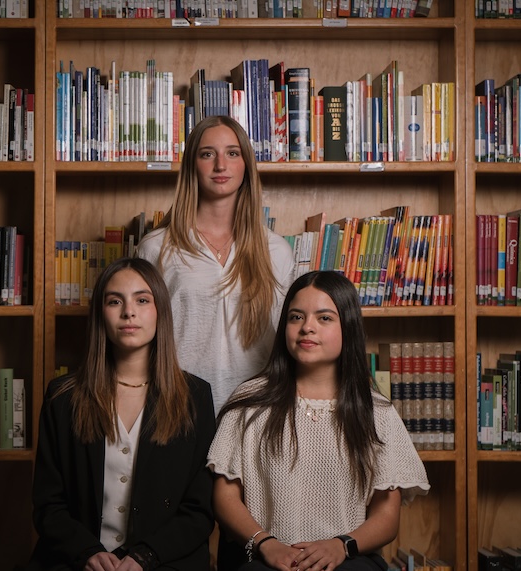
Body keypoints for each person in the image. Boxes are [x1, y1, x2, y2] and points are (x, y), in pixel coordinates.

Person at [208, 271, 430, 571]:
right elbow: (225, 497)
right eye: (296, 317)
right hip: (264, 558)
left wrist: (341, 545)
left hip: (348, 559)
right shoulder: (249, 402)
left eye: (324, 318)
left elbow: (387, 517)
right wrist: (267, 544)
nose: (307, 327)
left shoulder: (376, 411)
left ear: (348, 327)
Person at [29, 257, 216, 571]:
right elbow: (48, 504)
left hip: (164, 561)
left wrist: (145, 556)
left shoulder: (195, 397)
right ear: (100, 314)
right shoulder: (63, 397)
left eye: (142, 300)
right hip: (78, 561)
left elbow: (199, 510)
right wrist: (87, 552)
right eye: (115, 301)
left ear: (160, 311)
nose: (129, 312)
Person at [136, 115, 295, 413]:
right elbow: (140, 340)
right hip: (178, 408)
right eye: (207, 154)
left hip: (257, 411)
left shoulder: (277, 251)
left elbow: (287, 344)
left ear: (246, 165)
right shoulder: (156, 247)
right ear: (192, 166)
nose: (221, 165)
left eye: (232, 153)